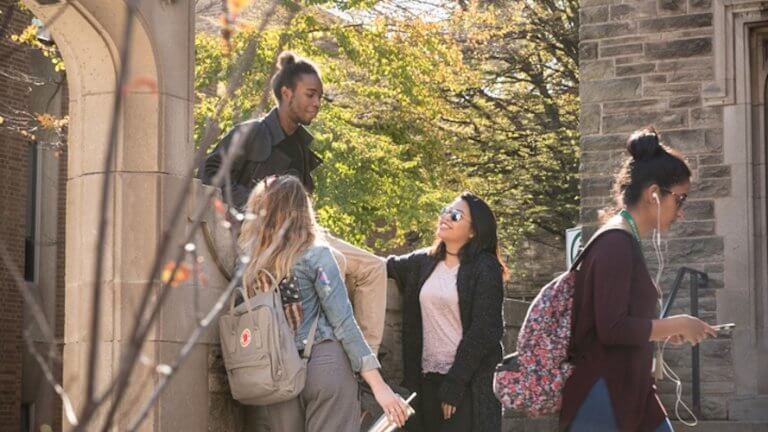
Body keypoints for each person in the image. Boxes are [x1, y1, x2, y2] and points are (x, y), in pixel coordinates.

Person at [199, 51, 387, 353]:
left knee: (375, 267)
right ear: (286, 94)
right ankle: (329, 351)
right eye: (310, 94)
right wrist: (260, 204)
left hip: (304, 232)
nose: (316, 103)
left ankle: (366, 363)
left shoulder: (301, 146)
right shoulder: (250, 133)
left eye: (320, 97)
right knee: (333, 261)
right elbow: (209, 171)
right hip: (266, 236)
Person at [560, 126, 717, 432]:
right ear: (654, 195)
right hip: (603, 400)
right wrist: (676, 324)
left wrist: (660, 331)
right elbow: (612, 328)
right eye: (680, 199)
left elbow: (618, 321)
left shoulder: (622, 239)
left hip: (629, 393)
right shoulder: (615, 243)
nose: (681, 211)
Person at [237, 175, 409, 431]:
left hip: (276, 374)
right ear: (302, 209)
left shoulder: (248, 265)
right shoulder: (317, 256)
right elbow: (343, 322)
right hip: (325, 365)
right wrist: (379, 386)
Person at [387, 192, 507, 432]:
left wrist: (455, 384)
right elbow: (380, 267)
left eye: (455, 215)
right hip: (424, 381)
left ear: (473, 231)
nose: (445, 217)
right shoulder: (423, 261)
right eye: (445, 210)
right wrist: (323, 243)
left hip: (467, 383)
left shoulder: (486, 268)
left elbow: (485, 330)